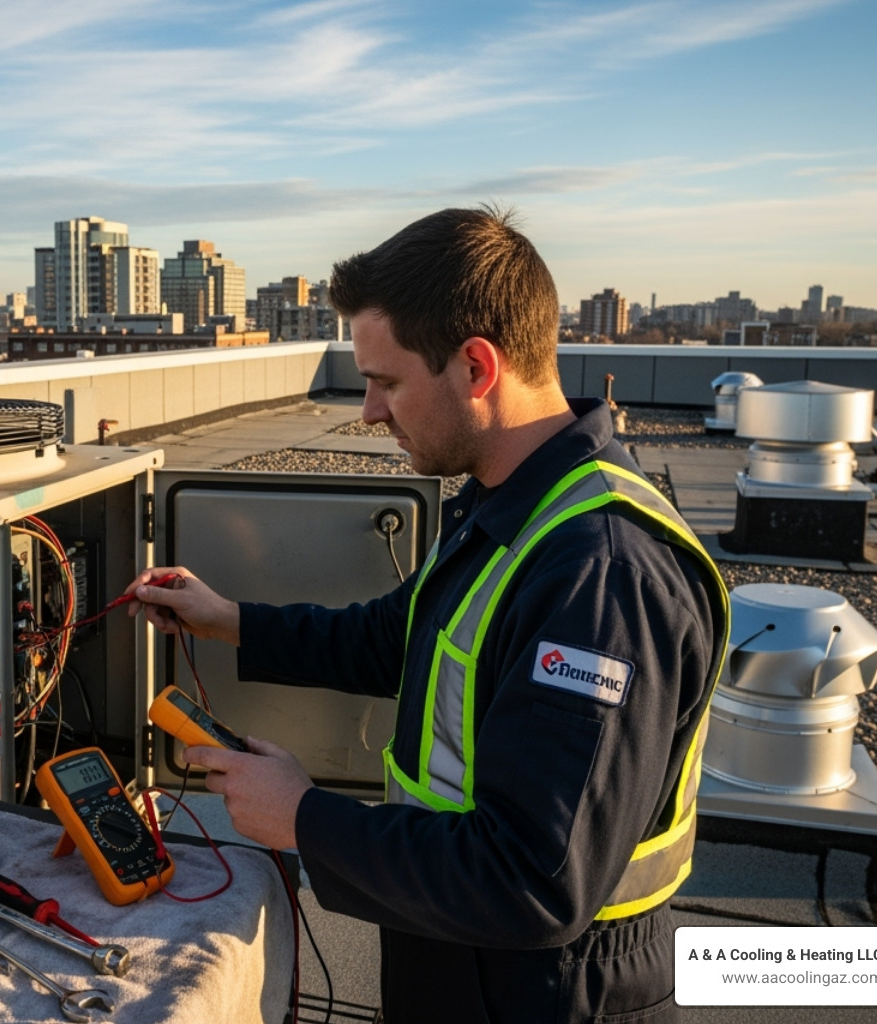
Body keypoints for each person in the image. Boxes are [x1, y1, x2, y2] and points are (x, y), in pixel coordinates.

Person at [127, 207, 729, 1023]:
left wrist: (305, 818)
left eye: (387, 382)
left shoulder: (601, 576)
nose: (369, 412)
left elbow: (532, 880)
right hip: (458, 957)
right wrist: (228, 618)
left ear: (476, 366)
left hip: (544, 994)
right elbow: (394, 638)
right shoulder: (512, 502)